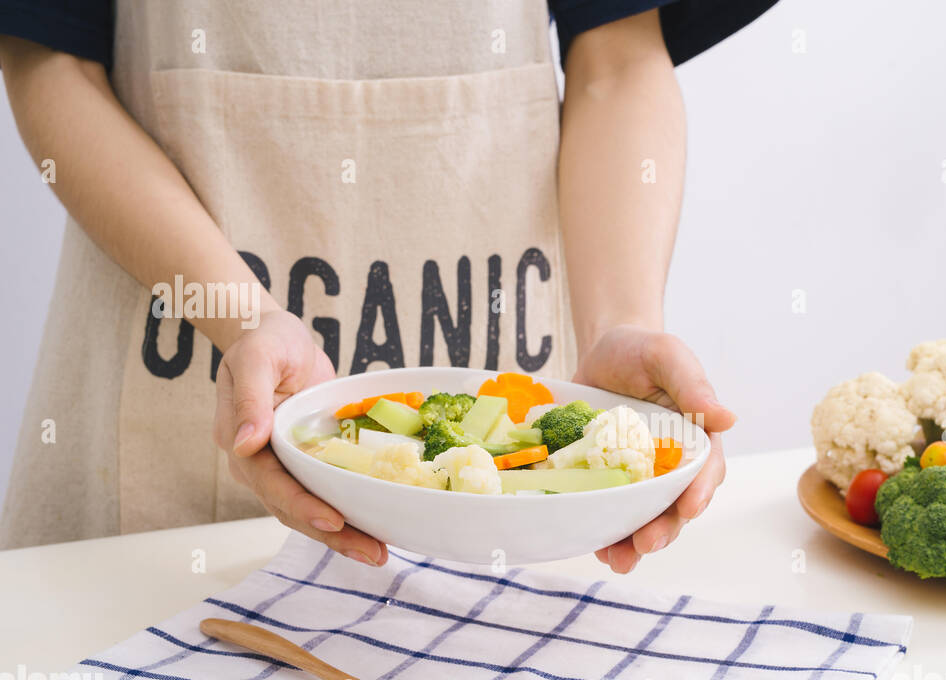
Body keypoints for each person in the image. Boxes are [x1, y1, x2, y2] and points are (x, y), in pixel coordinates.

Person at [0, 0, 776, 573]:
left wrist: (624, 320)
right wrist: (242, 318)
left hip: (510, 460)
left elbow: (615, 55)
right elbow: (48, 60)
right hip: (163, 429)